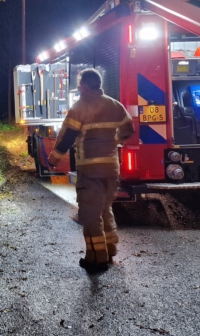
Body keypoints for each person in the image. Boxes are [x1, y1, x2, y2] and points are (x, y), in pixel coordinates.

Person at [47, 69, 135, 273]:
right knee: (105, 209)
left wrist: (53, 159)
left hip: (90, 169)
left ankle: (96, 258)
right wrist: (113, 143)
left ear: (85, 85)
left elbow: (67, 137)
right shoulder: (115, 105)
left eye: (80, 84)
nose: (79, 88)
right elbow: (128, 130)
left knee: (90, 214)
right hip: (111, 169)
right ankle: (111, 249)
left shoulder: (80, 107)